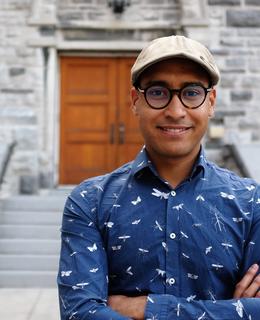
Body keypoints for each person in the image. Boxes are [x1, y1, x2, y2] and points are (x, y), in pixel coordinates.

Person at [57, 35, 260, 319]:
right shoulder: (90, 202)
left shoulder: (251, 203)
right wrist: (230, 311)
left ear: (211, 101)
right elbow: (81, 313)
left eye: (191, 93)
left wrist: (145, 308)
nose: (175, 112)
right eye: (157, 92)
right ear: (135, 101)